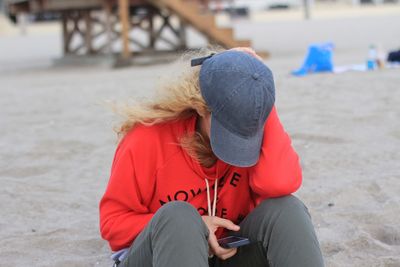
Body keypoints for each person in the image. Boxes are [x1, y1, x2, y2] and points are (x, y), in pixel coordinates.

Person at [99, 47, 324, 267]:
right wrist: (198, 227)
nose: (237, 141)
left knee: (287, 210)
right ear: (200, 105)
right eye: (228, 130)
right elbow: (112, 226)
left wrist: (257, 93)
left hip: (229, 253)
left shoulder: (256, 129)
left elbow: (279, 182)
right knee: (180, 217)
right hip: (162, 254)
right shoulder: (147, 138)